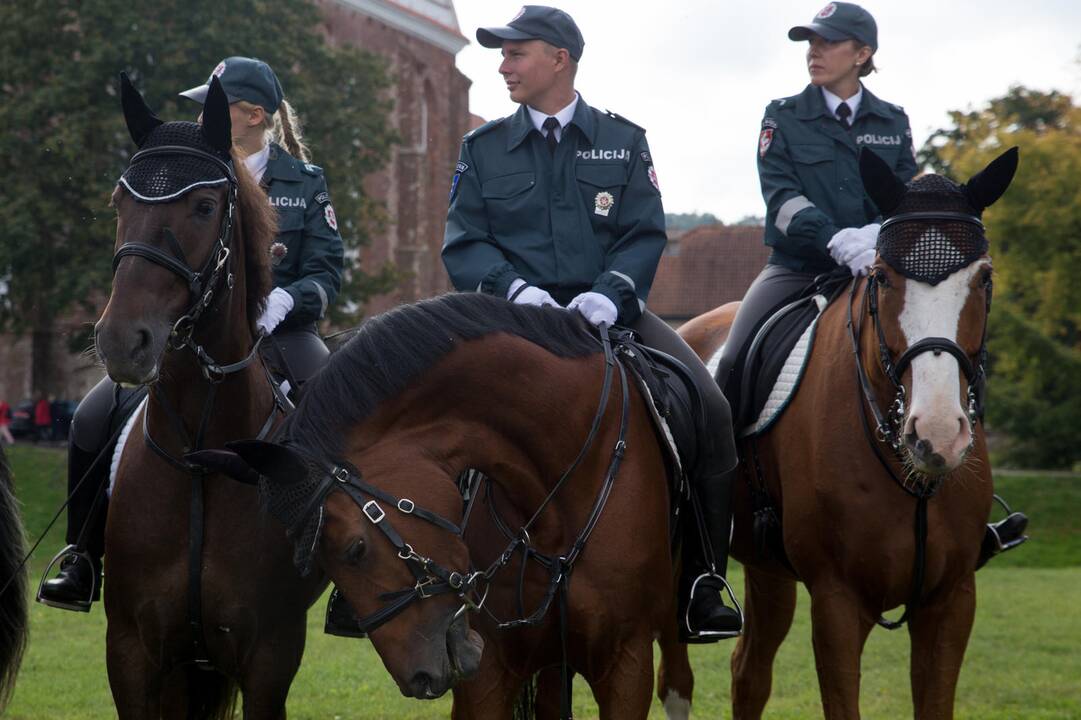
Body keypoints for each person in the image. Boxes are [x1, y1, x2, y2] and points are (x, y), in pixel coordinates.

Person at [443, 6, 741, 641]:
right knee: (426, 408)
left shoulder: (624, 141)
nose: (503, 66)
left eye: (516, 53)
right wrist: (516, 290)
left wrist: (611, 295)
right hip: (510, 319)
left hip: (612, 317)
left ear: (560, 59)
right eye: (502, 54)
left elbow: (642, 233)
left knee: (709, 410)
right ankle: (436, 583)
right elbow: (464, 243)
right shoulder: (482, 147)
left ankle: (703, 582)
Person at [717, 2, 1025, 565]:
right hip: (798, 267)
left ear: (861, 54)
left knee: (949, 350)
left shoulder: (891, 119)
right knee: (731, 367)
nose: (814, 52)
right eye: (809, 42)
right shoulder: (782, 115)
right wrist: (836, 237)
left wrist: (882, 236)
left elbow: (900, 195)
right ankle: (720, 516)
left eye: (827, 43)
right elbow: (781, 198)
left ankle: (972, 508)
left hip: (882, 269)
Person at [38, 57, 347, 616]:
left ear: (254, 115)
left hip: (282, 333)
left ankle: (352, 569)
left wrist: (285, 300)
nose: (200, 114)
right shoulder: (185, 172)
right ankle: (82, 558)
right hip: (191, 336)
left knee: (342, 410)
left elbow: (327, 272)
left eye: (215, 103)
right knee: (89, 417)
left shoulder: (306, 182)